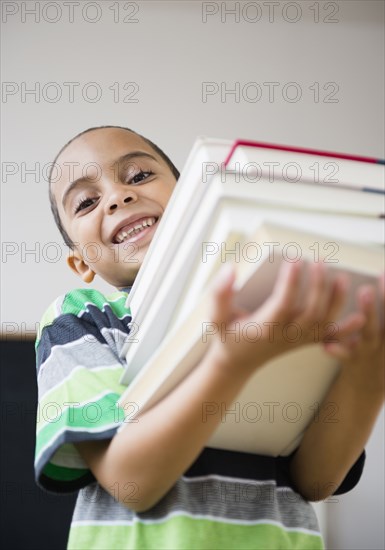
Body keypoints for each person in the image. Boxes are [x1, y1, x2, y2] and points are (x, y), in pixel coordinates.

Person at [34, 125, 385, 550]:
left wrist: (372, 361)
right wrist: (230, 362)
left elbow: (316, 480)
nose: (117, 197)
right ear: (81, 263)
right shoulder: (82, 316)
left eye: (139, 176)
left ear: (192, 200)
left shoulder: (276, 300)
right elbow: (132, 483)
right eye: (87, 202)